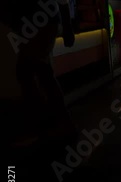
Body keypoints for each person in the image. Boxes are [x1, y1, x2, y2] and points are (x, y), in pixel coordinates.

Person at [5, 0, 77, 144]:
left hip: (40, 22)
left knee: (29, 72)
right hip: (41, 21)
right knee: (40, 72)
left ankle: (45, 124)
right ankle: (57, 123)